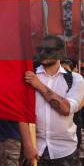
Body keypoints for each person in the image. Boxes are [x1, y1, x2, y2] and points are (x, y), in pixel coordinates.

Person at [25, 35, 84, 165]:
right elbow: (21, 114)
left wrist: (38, 85)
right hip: (35, 150)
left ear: (61, 52)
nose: (43, 53)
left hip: (65, 152)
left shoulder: (75, 79)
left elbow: (65, 108)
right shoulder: (29, 76)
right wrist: (28, 145)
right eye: (40, 49)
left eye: (48, 50)